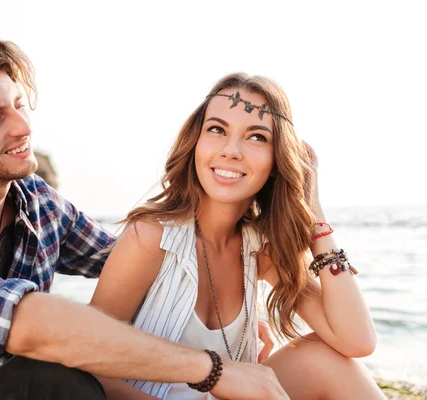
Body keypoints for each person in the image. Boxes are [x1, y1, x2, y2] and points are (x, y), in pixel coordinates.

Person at [0, 32, 289, 400]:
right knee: (54, 373)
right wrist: (213, 369)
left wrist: (234, 300)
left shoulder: (37, 203)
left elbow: (137, 259)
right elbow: (21, 323)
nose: (22, 127)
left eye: (20, 105)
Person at [90, 73, 387, 399]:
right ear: (196, 143)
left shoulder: (260, 249)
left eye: (257, 137)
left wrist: (316, 219)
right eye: (216, 130)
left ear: (278, 160)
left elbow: (357, 341)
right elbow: (90, 364)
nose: (231, 151)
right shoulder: (149, 238)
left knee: (326, 358)